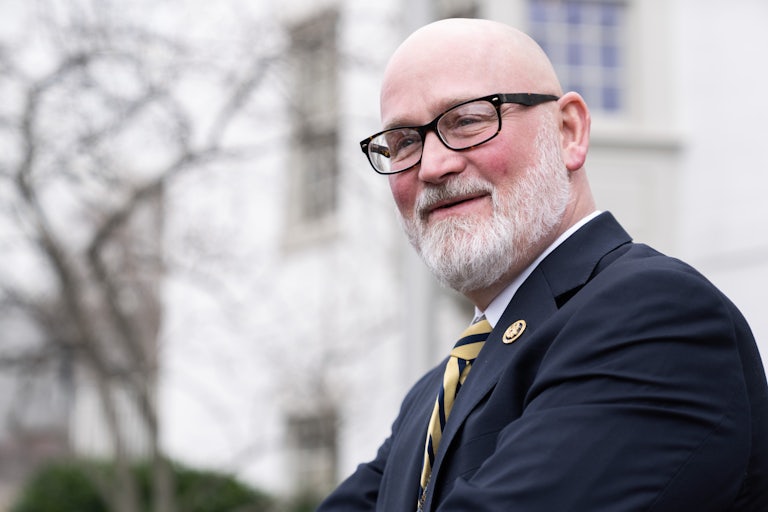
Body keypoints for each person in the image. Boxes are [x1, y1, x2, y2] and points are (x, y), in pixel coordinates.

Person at [317, 18, 768, 511]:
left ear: (569, 131)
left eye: (467, 121)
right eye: (404, 142)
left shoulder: (655, 318)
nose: (432, 166)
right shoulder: (432, 397)